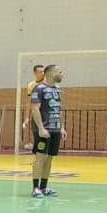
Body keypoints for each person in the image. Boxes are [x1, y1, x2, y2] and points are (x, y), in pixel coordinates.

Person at [29, 63, 65, 198]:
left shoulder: (57, 89)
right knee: (40, 157)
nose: (62, 74)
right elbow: (35, 109)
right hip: (43, 129)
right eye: (59, 72)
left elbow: (58, 108)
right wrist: (41, 128)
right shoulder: (39, 88)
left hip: (55, 129)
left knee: (49, 158)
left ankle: (44, 187)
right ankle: (35, 187)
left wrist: (61, 127)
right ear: (50, 73)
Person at [22, 64, 45, 150]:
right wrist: (27, 117)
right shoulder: (31, 85)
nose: (43, 73)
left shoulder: (48, 83)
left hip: (46, 115)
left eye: (44, 71)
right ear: (35, 73)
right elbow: (29, 102)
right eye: (40, 72)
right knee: (37, 135)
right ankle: (38, 154)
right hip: (36, 114)